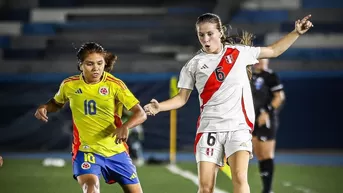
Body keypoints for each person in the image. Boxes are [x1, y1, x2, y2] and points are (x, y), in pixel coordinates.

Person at [144, 13, 313, 193]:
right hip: (209, 128)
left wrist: (296, 33)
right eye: (201, 35)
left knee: (240, 178)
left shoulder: (239, 53)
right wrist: (159, 106)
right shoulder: (193, 65)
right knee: (205, 187)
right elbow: (181, 98)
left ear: (220, 32)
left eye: (210, 33)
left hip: (238, 127)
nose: (205, 39)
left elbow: (273, 51)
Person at [34, 42, 147, 193]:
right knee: (91, 188)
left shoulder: (115, 85)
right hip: (86, 150)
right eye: (90, 64)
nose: (96, 68)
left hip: (116, 151)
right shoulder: (69, 85)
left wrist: (125, 126)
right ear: (80, 65)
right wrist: (45, 107)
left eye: (100, 63)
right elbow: (56, 103)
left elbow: (141, 113)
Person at [251, 59, 285, 193]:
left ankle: (268, 189)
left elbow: (279, 97)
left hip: (266, 120)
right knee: (259, 154)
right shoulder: (250, 75)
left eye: (262, 58)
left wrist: (266, 112)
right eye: (257, 58)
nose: (258, 61)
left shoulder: (270, 76)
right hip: (252, 119)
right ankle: (266, 188)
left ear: (267, 60)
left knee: (266, 154)